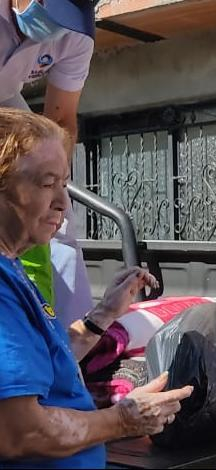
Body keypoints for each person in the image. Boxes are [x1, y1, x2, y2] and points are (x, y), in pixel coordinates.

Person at [0, 108, 194, 468]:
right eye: (47, 183)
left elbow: (47, 366)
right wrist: (123, 420)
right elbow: (20, 432)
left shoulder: (12, 267)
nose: (63, 203)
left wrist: (103, 315)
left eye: (64, 183)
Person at [2, 0, 97, 327]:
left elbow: (61, 120)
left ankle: (75, 333)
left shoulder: (77, 34)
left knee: (57, 214)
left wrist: (52, 185)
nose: (57, 24)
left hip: (5, 98)